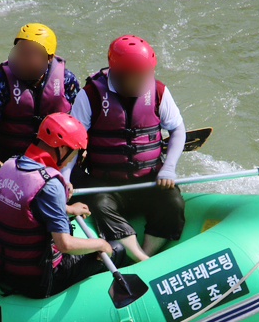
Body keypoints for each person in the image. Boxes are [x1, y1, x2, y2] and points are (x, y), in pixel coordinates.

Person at [65, 35, 187, 263]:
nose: (144, 80)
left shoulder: (159, 91)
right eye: (137, 76)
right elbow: (72, 143)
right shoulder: (90, 95)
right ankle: (140, 258)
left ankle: (146, 254)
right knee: (100, 206)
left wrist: (168, 168)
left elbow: (178, 130)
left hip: (149, 181)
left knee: (174, 204)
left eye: (147, 73)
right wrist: (64, 179)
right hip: (107, 184)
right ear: (118, 73)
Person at [0, 112, 124, 299]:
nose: (73, 159)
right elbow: (65, 244)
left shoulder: (9, 165)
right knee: (116, 248)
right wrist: (101, 244)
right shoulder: (50, 184)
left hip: (4, 268)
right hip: (40, 281)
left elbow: (25, 209)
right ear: (61, 148)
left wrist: (66, 209)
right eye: (74, 152)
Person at [0, 23, 81, 175]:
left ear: (49, 57)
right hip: (11, 158)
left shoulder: (67, 80)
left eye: (32, 54)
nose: (23, 59)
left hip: (51, 160)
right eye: (21, 52)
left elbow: (77, 126)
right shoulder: (2, 79)